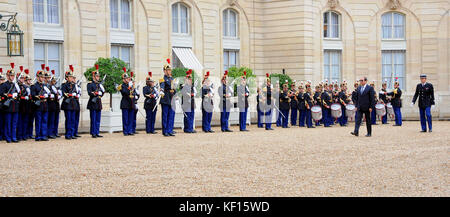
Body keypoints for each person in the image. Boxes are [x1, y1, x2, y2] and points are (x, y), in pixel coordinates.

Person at [0, 63, 20, 143]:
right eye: (10, 75)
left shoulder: (15, 85)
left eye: (13, 76)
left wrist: (17, 94)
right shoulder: (4, 85)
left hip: (15, 106)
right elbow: (2, 94)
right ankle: (8, 137)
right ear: (7, 76)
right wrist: (10, 95)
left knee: (14, 123)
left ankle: (13, 137)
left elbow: (19, 94)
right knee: (8, 123)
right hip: (8, 106)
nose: (12, 77)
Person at [31, 66, 50, 141]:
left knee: (44, 121)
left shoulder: (45, 86)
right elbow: (33, 95)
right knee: (38, 121)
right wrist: (41, 96)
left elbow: (48, 94)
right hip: (38, 105)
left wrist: (48, 95)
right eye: (40, 77)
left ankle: (43, 135)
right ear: (37, 77)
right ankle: (38, 135)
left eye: (43, 77)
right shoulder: (34, 86)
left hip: (45, 105)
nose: (42, 78)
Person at [86, 65, 104, 138]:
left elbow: (102, 93)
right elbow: (89, 92)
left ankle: (97, 132)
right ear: (93, 77)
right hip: (93, 103)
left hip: (98, 103)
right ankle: (93, 132)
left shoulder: (99, 85)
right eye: (96, 76)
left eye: (98, 76)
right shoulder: (90, 84)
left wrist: (101, 93)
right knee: (93, 119)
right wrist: (96, 93)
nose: (98, 77)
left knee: (98, 119)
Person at [160, 59, 176, 137]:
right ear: (164, 71)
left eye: (169, 70)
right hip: (166, 99)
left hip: (172, 99)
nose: (169, 71)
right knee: (165, 116)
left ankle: (170, 130)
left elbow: (174, 89)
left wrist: (175, 92)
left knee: (171, 115)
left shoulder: (172, 79)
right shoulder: (163, 79)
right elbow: (162, 86)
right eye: (167, 70)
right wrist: (161, 91)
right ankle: (165, 131)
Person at [61, 65, 78, 140]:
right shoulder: (64, 85)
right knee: (68, 119)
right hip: (67, 104)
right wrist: (70, 94)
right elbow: (64, 93)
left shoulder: (74, 85)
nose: (71, 78)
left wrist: (75, 94)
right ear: (67, 78)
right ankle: (68, 134)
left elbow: (77, 93)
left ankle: (72, 133)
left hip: (73, 104)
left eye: (72, 77)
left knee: (73, 119)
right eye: (70, 77)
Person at [118, 68, 135, 136]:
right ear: (124, 79)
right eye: (127, 78)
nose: (128, 79)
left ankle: (130, 130)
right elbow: (125, 92)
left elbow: (133, 93)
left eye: (128, 78)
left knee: (131, 118)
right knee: (125, 118)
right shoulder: (122, 86)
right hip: (125, 103)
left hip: (131, 103)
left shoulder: (130, 85)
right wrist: (129, 87)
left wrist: (132, 87)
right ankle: (125, 131)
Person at [17, 67, 30, 141]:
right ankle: (19, 135)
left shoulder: (25, 86)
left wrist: (28, 95)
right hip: (19, 105)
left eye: (23, 78)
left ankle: (24, 135)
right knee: (20, 121)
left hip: (25, 105)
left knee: (25, 121)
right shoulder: (16, 86)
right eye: (21, 78)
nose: (22, 79)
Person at [181, 69, 196, 134]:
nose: (190, 80)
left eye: (190, 79)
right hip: (186, 103)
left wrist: (193, 94)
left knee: (191, 116)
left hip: (192, 103)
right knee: (187, 116)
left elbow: (194, 93)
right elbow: (183, 92)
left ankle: (191, 128)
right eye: (188, 79)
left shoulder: (192, 86)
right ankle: (187, 128)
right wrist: (189, 94)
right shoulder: (183, 86)